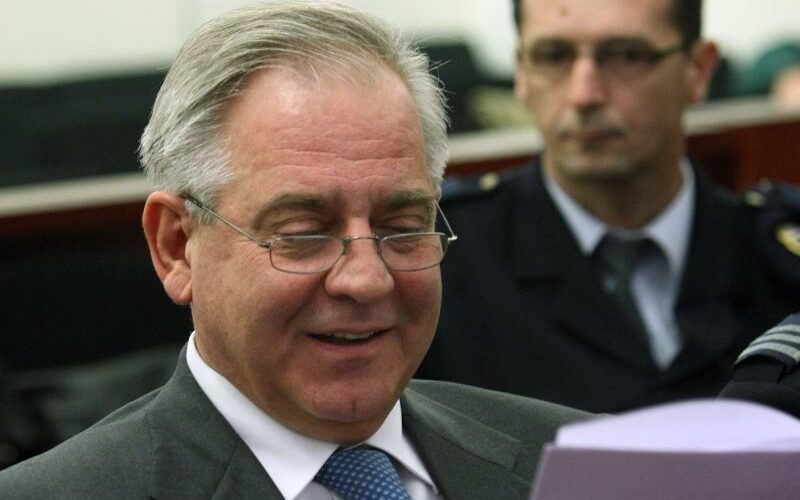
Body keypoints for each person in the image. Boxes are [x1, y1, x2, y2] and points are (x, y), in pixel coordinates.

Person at [0, 3, 590, 498]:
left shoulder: (582, 465)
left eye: (402, 226)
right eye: (305, 234)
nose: (366, 278)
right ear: (177, 246)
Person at [416, 0, 800, 413]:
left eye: (626, 56)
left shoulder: (779, 258)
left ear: (698, 70)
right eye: (553, 56)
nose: (584, 95)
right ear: (522, 73)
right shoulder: (442, 263)